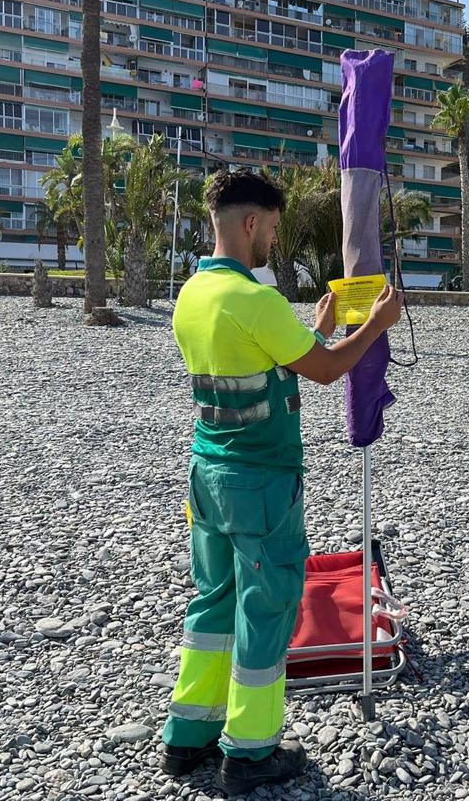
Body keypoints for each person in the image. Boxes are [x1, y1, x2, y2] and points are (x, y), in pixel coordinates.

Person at [160, 169, 402, 795]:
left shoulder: (193, 295)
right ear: (249, 223)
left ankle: (188, 737)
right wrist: (375, 325)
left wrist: (316, 328)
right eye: (270, 227)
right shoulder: (256, 299)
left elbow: (260, 361)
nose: (272, 238)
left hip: (206, 471)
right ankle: (251, 750)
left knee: (212, 602)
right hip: (260, 481)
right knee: (265, 609)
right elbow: (323, 372)